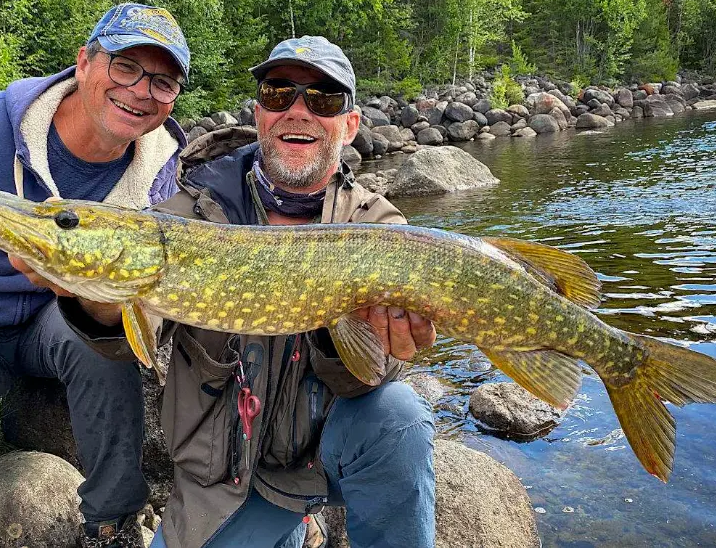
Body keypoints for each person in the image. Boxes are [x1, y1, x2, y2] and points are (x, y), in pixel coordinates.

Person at [37, 36, 438, 548]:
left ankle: (311, 522)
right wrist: (95, 294)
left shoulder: (377, 224)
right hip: (223, 481)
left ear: (351, 124)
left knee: (398, 414)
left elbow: (373, 376)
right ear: (259, 112)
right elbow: (125, 340)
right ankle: (288, 530)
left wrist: (369, 337)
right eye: (278, 95)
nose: (298, 112)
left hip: (321, 460)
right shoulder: (189, 213)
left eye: (323, 100)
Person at [0, 3, 190, 547]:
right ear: (85, 63)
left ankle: (112, 518)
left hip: (60, 321)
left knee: (110, 345)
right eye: (125, 66)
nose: (142, 89)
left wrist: (100, 310)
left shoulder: (161, 171)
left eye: (163, 81)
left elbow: (143, 299)